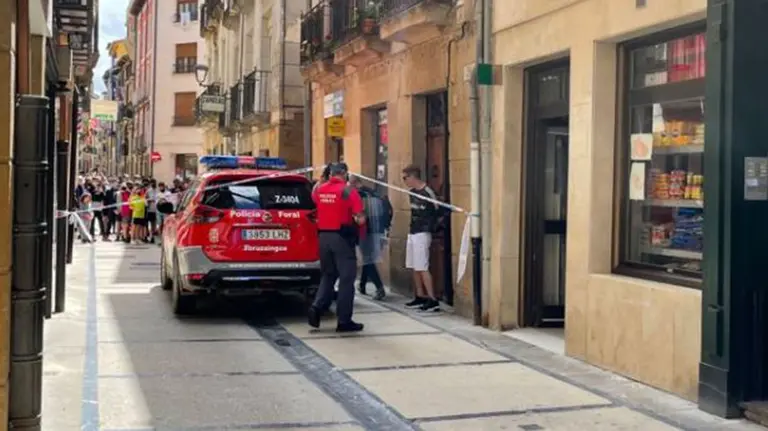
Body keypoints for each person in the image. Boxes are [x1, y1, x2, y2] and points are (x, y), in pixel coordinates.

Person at [308, 162, 366, 332]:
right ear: (345, 173)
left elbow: (314, 201)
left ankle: (316, 307)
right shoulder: (348, 191)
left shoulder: (320, 189)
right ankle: (344, 320)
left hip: (323, 237)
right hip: (342, 238)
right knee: (347, 280)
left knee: (328, 275)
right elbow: (359, 218)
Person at [401, 164, 441, 312]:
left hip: (423, 232)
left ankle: (432, 299)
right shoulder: (411, 193)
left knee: (422, 266)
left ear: (413, 177)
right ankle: (420, 295)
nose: (404, 181)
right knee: (413, 265)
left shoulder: (427, 191)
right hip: (413, 231)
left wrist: (432, 226)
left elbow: (438, 210)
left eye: (405, 178)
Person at [349, 176, 392, 300]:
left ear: (356, 183)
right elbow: (388, 209)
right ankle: (362, 285)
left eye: (351, 184)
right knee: (368, 259)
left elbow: (356, 212)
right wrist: (386, 226)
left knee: (369, 259)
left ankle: (379, 288)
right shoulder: (374, 192)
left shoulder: (357, 194)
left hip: (365, 230)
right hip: (378, 230)